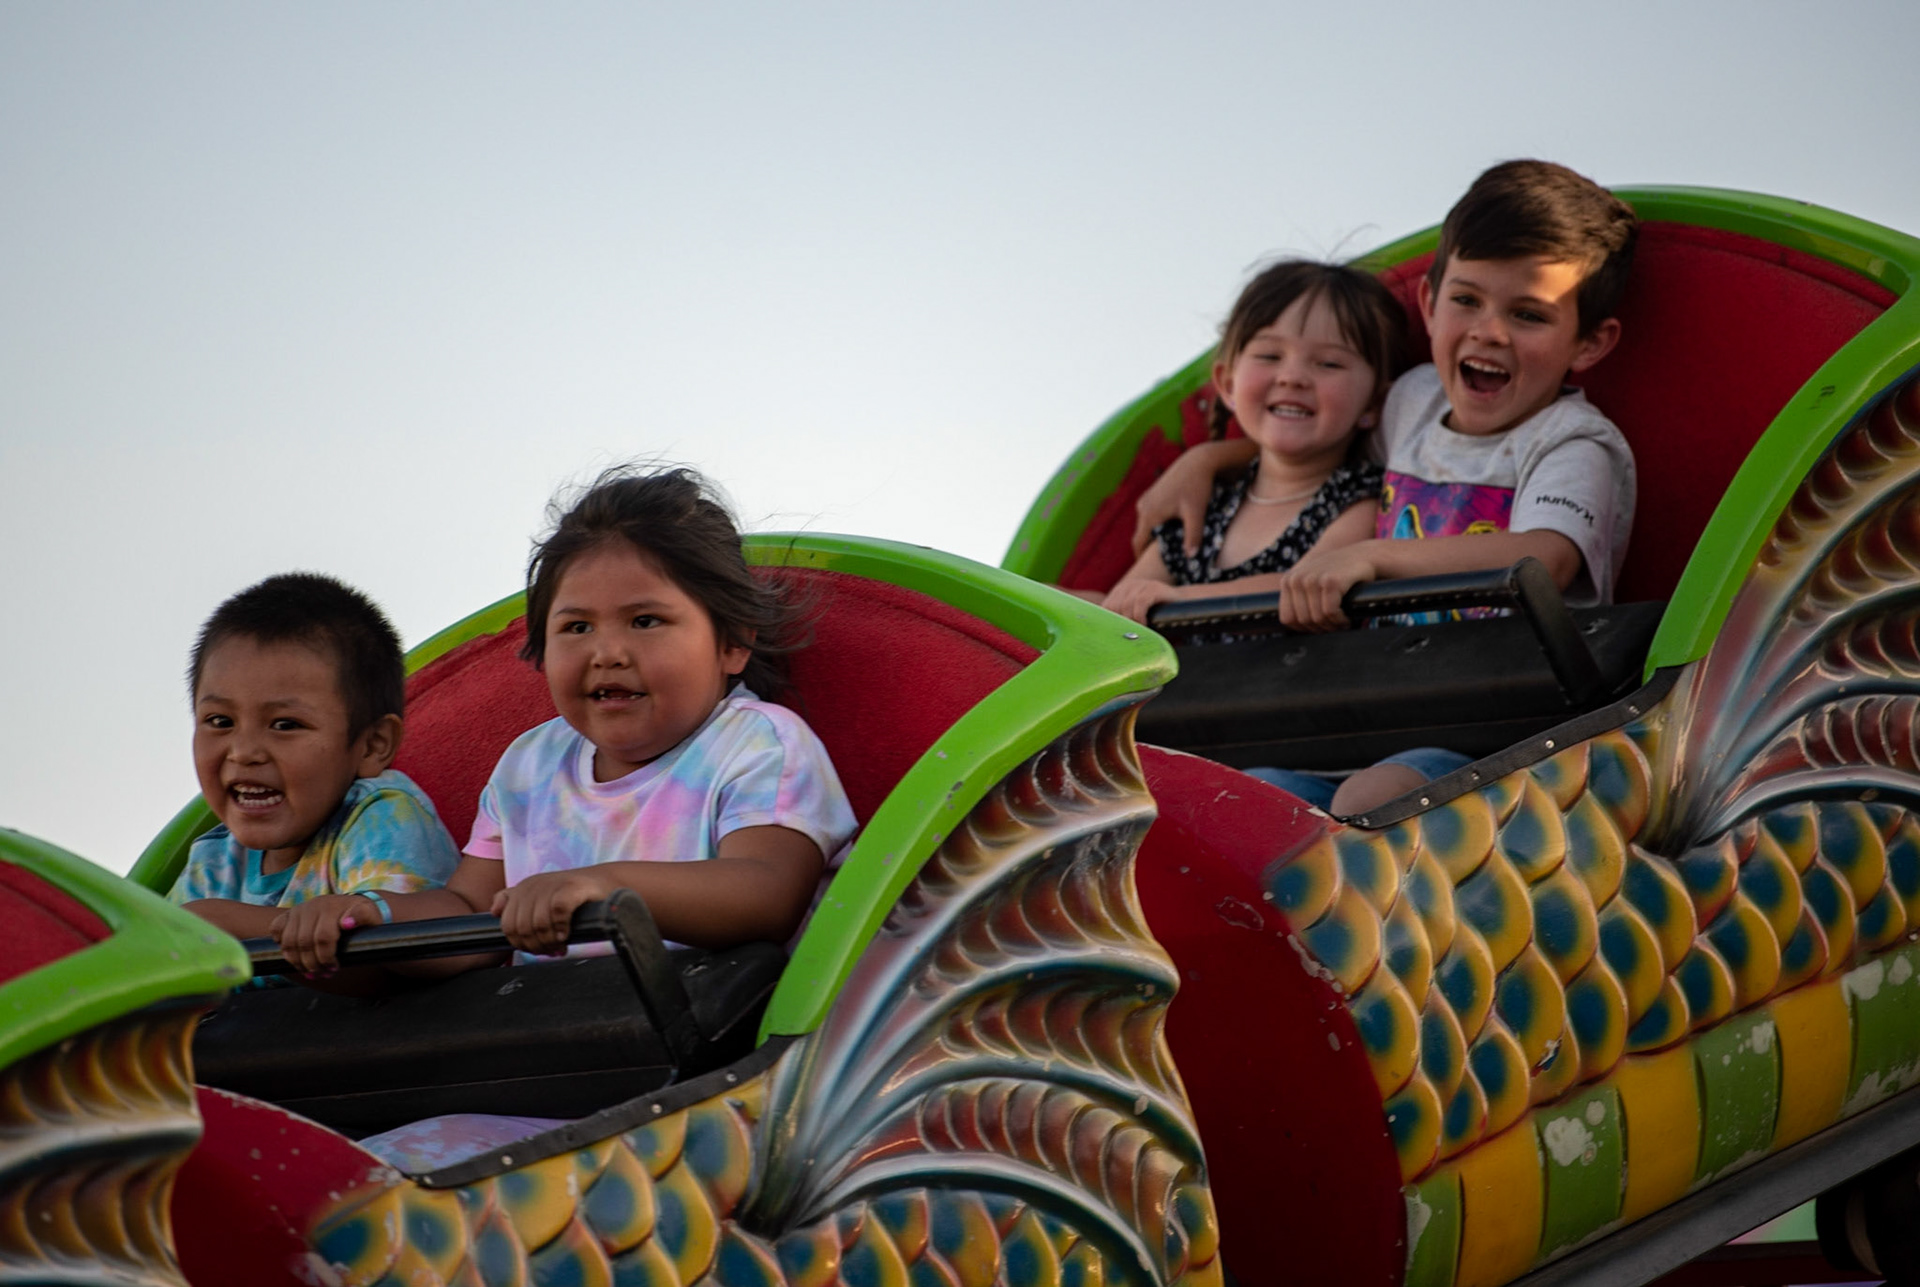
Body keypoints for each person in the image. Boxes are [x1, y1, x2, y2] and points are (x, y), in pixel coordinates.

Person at [347, 464, 857, 1170]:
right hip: (542, 1067)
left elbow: (766, 890)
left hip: (716, 1091)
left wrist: (602, 885)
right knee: (369, 1169)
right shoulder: (529, 766)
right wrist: (371, 920)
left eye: (646, 620)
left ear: (732, 641)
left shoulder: (758, 743)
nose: (607, 650)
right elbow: (469, 911)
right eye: (576, 626)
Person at [1136, 160, 1639, 815]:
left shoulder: (1571, 441)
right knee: (1244, 799)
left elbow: (1546, 555)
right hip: (1376, 703)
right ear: (1429, 304)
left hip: (1508, 723)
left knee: (1371, 800)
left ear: (1590, 342)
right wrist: (1208, 459)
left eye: (1527, 314)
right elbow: (1322, 449)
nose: (1489, 331)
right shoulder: (1413, 401)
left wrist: (1371, 558)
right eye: (1467, 300)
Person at [170, 574, 461, 982]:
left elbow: (396, 960)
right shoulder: (214, 859)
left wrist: (220, 924)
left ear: (372, 745)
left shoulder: (379, 814)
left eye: (285, 724)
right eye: (220, 721)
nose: (244, 752)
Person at [1099, 260, 1408, 626]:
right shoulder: (1207, 508)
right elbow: (1118, 606)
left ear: (1373, 403)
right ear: (1227, 384)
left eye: (1328, 364)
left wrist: (1180, 599)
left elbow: (1308, 583)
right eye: (1269, 356)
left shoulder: (1365, 499)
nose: (1293, 377)